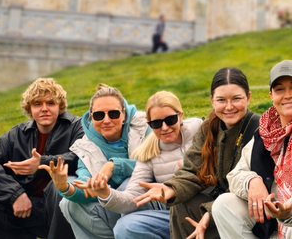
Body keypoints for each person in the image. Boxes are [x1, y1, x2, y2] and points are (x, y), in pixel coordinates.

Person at [211, 60, 292, 239]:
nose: (287, 95)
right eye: (279, 89)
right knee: (223, 204)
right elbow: (235, 175)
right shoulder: (265, 132)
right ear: (271, 95)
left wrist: (289, 210)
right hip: (270, 219)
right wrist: (251, 181)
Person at [134, 67, 260, 239]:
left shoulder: (259, 129)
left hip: (248, 210)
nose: (229, 107)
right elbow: (192, 169)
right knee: (180, 204)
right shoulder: (209, 127)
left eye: (236, 99)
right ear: (212, 100)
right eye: (221, 100)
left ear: (248, 97)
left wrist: (209, 213)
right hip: (218, 202)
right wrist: (171, 188)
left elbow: (246, 191)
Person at [75, 91, 202, 239]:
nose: (164, 127)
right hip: (175, 214)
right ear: (149, 124)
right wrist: (105, 193)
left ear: (180, 116)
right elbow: (132, 198)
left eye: (170, 120)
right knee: (125, 227)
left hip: (209, 207)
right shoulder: (148, 152)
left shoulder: (200, 129)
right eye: (156, 123)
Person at [0, 78, 83, 239]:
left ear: (60, 106)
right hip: (25, 206)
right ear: (30, 108)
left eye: (50, 103)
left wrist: (41, 163)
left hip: (60, 208)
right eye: (37, 104)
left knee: (58, 186)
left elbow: (81, 156)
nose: (44, 109)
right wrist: (15, 193)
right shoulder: (17, 134)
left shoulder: (77, 126)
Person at [49, 83, 151, 239]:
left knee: (128, 184)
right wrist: (65, 187)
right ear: (91, 117)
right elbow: (87, 187)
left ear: (124, 113)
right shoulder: (85, 146)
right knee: (68, 204)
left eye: (114, 114)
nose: (106, 120)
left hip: (153, 199)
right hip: (111, 204)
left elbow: (156, 165)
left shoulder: (145, 127)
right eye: (99, 115)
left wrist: (114, 166)